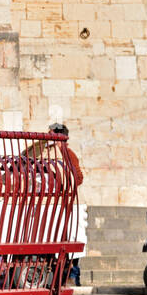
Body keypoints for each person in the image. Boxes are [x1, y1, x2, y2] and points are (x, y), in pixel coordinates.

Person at [50, 123, 87, 286]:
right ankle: (61, 276)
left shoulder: (68, 154)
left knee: (73, 238)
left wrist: (64, 185)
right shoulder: (52, 153)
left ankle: (72, 275)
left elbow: (78, 177)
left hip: (73, 204)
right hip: (60, 204)